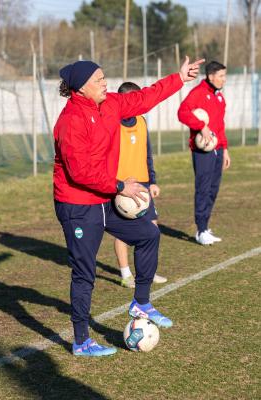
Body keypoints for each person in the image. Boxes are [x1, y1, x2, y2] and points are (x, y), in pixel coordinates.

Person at [54, 56, 203, 357]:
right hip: (77, 204)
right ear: (80, 88)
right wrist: (120, 186)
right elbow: (80, 172)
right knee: (85, 273)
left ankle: (141, 302)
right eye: (98, 80)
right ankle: (82, 340)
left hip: (102, 199)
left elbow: (145, 97)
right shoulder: (70, 121)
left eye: (104, 76)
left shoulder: (110, 103)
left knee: (148, 234)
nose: (105, 82)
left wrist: (178, 78)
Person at [115, 81, 167, 289]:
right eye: (135, 98)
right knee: (124, 230)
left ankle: (147, 271)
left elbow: (147, 153)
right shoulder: (112, 122)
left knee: (152, 228)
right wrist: (116, 184)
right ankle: (125, 273)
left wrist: (152, 180)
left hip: (144, 183)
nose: (139, 102)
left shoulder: (142, 121)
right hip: (123, 186)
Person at [178, 60, 231, 246]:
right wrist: (201, 127)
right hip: (202, 151)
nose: (224, 79)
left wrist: (224, 149)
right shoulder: (198, 93)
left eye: (225, 75)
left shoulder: (219, 97)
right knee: (203, 189)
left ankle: (205, 226)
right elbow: (182, 113)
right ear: (211, 76)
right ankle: (200, 231)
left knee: (213, 189)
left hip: (217, 150)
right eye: (221, 76)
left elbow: (221, 126)